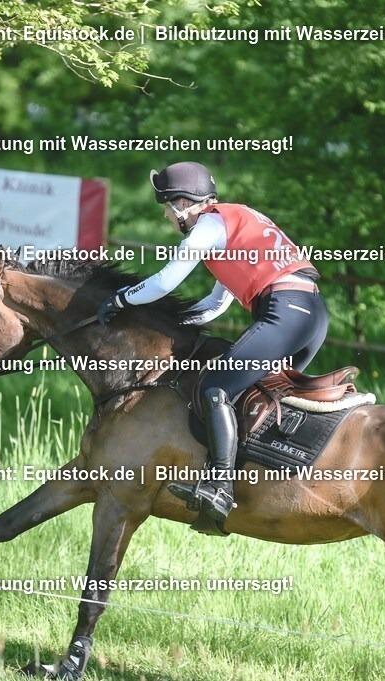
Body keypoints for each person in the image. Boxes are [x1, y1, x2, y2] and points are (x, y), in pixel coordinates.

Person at [97, 161, 328, 521]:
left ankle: (219, 487)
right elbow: (215, 305)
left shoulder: (208, 226)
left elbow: (164, 281)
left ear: (181, 204)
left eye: (166, 209)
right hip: (312, 314)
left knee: (216, 388)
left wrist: (121, 300)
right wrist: (172, 324)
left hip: (285, 312)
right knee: (257, 396)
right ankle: (266, 481)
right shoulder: (236, 223)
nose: (166, 219)